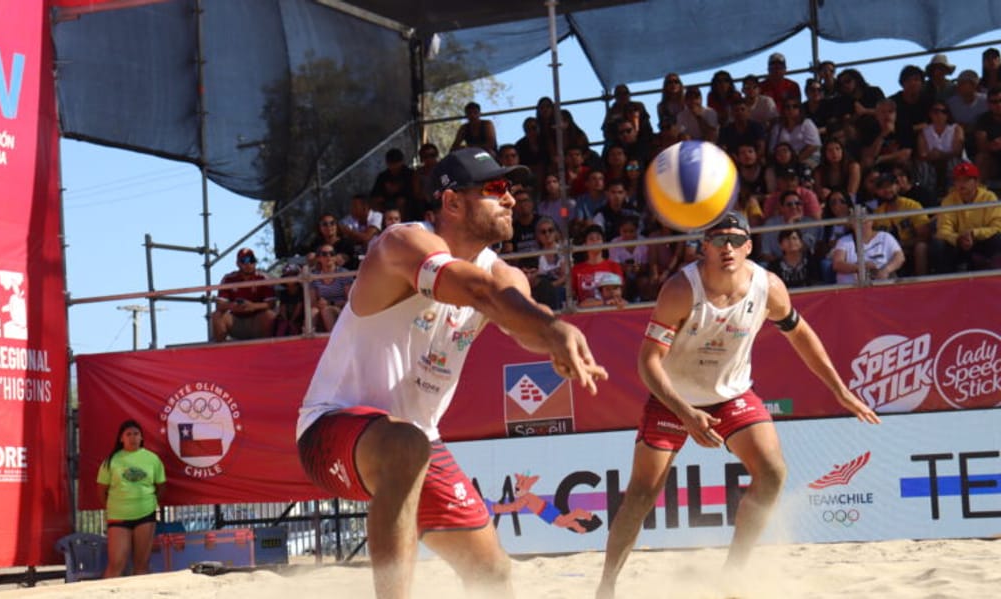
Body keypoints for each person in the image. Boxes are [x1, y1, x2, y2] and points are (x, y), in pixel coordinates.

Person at [295, 148, 607, 599]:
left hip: (417, 440)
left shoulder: (505, 275)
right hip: (330, 428)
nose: (509, 199)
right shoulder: (401, 244)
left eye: (511, 189)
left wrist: (551, 338)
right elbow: (479, 293)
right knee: (406, 445)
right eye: (495, 188)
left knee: (493, 573)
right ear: (453, 203)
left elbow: (523, 315)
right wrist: (549, 329)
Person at [595, 213, 879, 599]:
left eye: (735, 239)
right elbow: (647, 363)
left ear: (749, 245)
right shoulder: (681, 288)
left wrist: (839, 389)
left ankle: (734, 574)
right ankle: (607, 586)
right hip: (672, 399)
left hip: (731, 394)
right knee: (642, 493)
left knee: (774, 473)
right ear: (703, 247)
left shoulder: (768, 287)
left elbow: (802, 336)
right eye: (717, 240)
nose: (726, 247)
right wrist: (685, 412)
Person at [97, 419, 166, 578]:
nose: (133, 437)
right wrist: (112, 508)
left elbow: (161, 486)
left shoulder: (152, 459)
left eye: (136, 434)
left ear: (141, 438)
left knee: (141, 565)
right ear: (121, 438)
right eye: (128, 434)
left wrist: (151, 504)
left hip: (145, 516)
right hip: (118, 517)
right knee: (116, 565)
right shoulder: (111, 461)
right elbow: (101, 490)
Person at [935, 161, 1001, 272]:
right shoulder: (948, 200)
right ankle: (946, 281)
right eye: (958, 180)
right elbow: (943, 229)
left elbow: (997, 226)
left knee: (999, 238)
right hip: (959, 244)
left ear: (976, 182)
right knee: (938, 244)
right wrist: (958, 238)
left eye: (966, 180)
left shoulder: (989, 197)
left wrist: (974, 233)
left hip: (982, 241)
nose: (961, 184)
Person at [210, 248, 276, 342]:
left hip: (256, 321)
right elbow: (219, 305)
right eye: (244, 261)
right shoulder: (229, 278)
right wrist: (234, 306)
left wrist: (252, 306)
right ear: (237, 263)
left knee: (269, 315)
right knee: (216, 315)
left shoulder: (263, 278)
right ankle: (221, 350)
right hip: (236, 322)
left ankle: (267, 347)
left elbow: (271, 303)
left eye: (252, 260)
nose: (248, 264)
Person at [832, 214, 906, 284]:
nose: (861, 224)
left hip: (881, 286)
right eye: (857, 222)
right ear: (852, 224)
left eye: (864, 221)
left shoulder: (885, 237)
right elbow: (837, 264)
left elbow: (899, 257)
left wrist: (886, 270)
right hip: (851, 289)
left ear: (871, 221)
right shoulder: (843, 241)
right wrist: (861, 268)